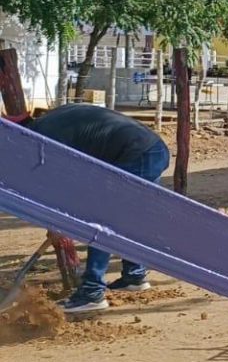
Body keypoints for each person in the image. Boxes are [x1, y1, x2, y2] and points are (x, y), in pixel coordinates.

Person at [22, 104, 170, 313]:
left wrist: (57, 223)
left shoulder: (43, 139)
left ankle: (92, 293)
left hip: (138, 153)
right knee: (130, 216)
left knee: (103, 219)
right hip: (150, 149)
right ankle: (134, 275)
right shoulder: (52, 121)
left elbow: (63, 182)